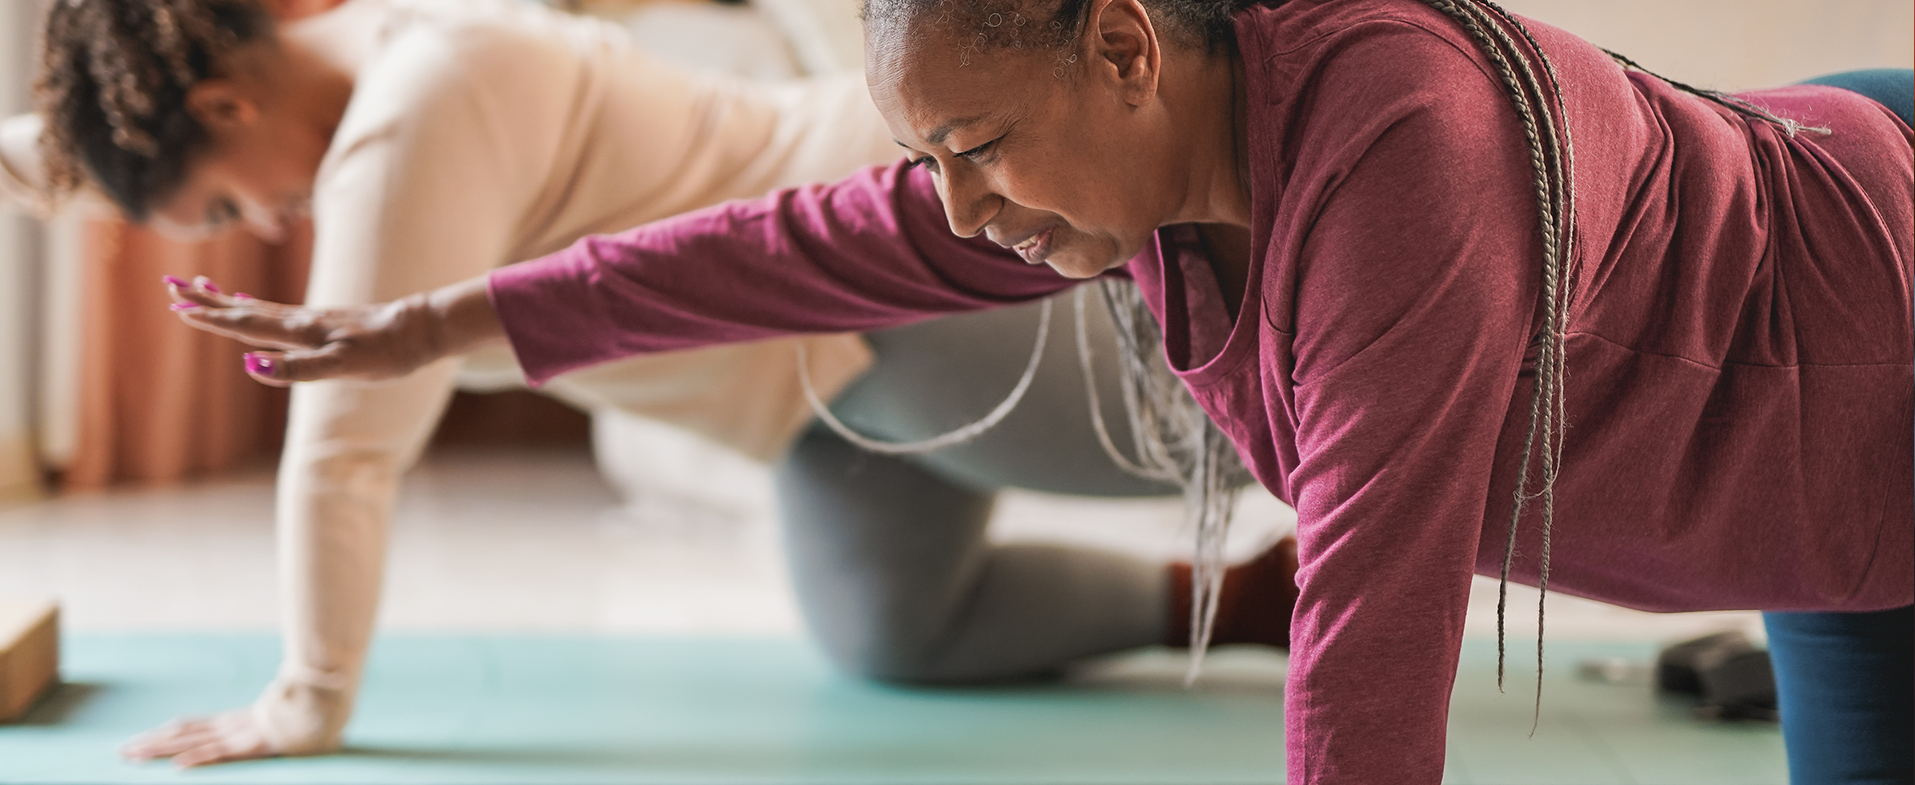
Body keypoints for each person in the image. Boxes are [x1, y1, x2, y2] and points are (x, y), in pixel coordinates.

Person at [160, 0, 1915, 780]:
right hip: (1803, 500)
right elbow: (799, 241)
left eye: (978, 148)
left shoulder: (1403, 158)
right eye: (936, 155)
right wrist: (441, 322)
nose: (962, 208)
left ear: (1125, 44)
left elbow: (1370, 646)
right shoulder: (1147, 173)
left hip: (1872, 308)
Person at [13, 0, 1303, 768]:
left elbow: (347, 444)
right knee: (898, 630)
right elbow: (70, 146)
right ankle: (1245, 600)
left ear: (230, 106)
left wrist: (303, 702)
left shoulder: (409, 114)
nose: (269, 214)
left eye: (230, 201)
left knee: (1237, 425)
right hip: (807, 401)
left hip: (887, 287)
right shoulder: (405, 44)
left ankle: (1354, 463)